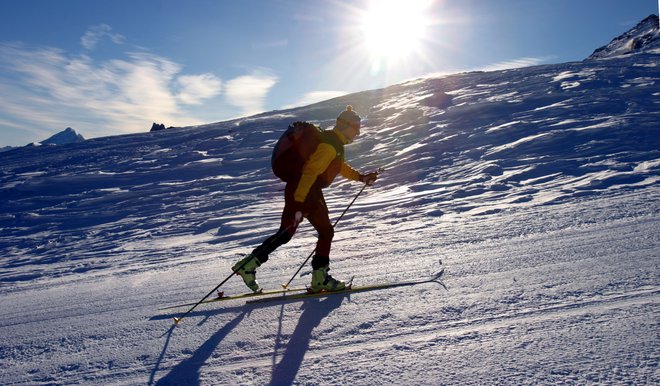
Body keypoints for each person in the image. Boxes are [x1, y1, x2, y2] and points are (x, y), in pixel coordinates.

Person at [232, 106, 378, 293]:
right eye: (356, 127)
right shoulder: (329, 144)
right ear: (345, 125)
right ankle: (317, 278)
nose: (358, 131)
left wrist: (361, 177)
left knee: (319, 232)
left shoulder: (334, 144)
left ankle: (251, 265)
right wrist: (300, 202)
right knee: (296, 233)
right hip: (304, 191)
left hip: (308, 191)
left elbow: (339, 167)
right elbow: (310, 171)